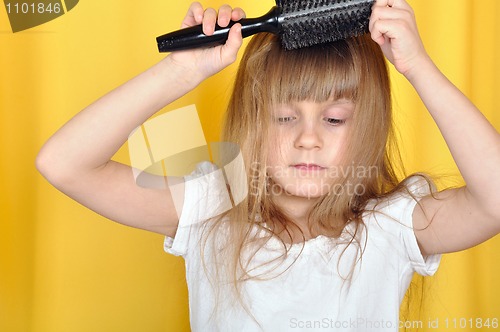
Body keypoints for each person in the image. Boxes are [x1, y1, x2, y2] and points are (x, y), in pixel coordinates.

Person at [36, 0, 500, 331]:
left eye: (335, 119)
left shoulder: (390, 225)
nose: (308, 139)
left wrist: (418, 67)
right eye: (283, 116)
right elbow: (64, 164)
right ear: (252, 119)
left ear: (369, 123)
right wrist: (180, 73)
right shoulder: (211, 208)